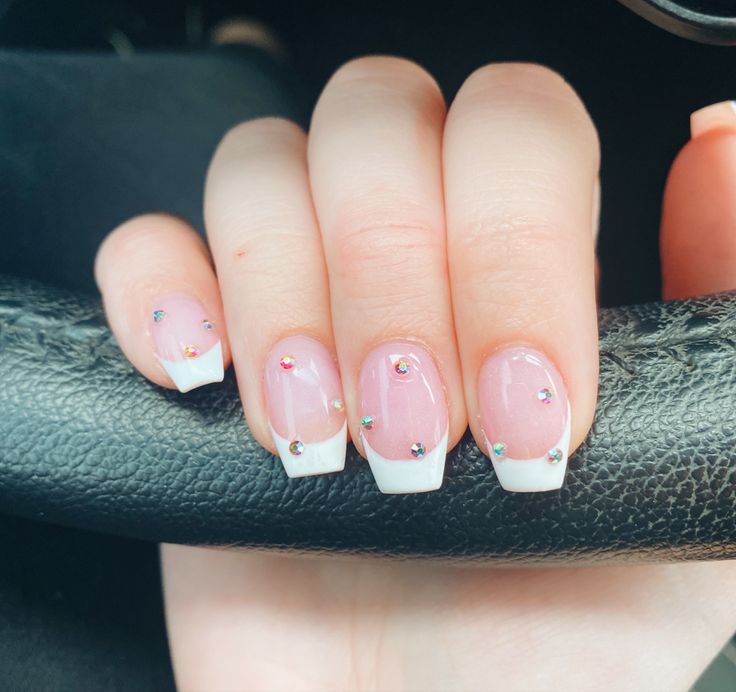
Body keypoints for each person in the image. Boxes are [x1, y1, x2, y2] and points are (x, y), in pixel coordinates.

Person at [92, 56, 736, 690]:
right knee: (226, 107)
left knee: (207, 103)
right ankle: (240, 50)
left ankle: (237, 48)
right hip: (294, 536)